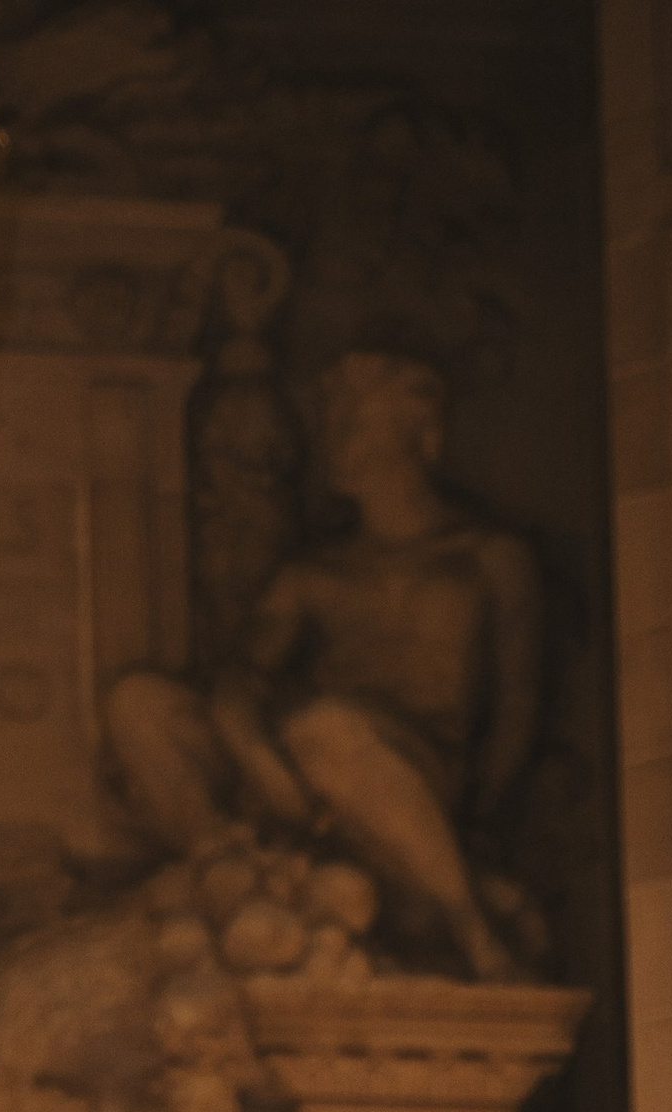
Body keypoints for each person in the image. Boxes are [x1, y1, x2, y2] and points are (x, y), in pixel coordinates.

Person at [105, 351, 544, 980]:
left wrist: (483, 823)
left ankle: (471, 926)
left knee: (325, 730)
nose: (336, 439)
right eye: (333, 420)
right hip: (297, 776)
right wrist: (256, 755)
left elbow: (516, 713)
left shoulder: (490, 561)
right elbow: (239, 681)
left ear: (422, 437)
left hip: (417, 776)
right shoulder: (313, 575)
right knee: (138, 703)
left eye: (356, 423)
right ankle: (229, 870)